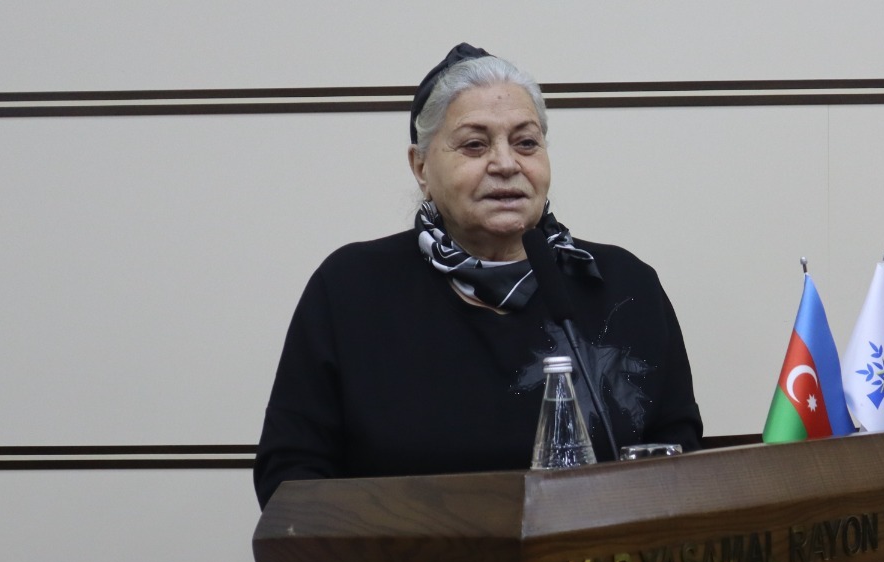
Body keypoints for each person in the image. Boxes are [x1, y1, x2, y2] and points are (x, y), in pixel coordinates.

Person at [254, 44, 703, 509]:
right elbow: (290, 474)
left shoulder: (621, 285)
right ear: (421, 167)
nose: (506, 164)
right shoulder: (351, 289)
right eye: (474, 144)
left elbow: (678, 455)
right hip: (407, 554)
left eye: (526, 143)